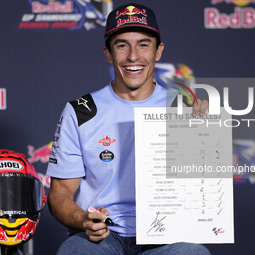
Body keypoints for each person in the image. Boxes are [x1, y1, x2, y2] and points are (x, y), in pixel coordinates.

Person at [47, 2, 210, 255]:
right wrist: (83, 220)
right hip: (101, 237)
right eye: (122, 45)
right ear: (108, 53)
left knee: (193, 253)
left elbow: (204, 194)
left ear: (158, 51)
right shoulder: (81, 111)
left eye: (143, 44)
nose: (133, 56)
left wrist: (205, 136)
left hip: (165, 237)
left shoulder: (184, 108)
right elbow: (60, 194)